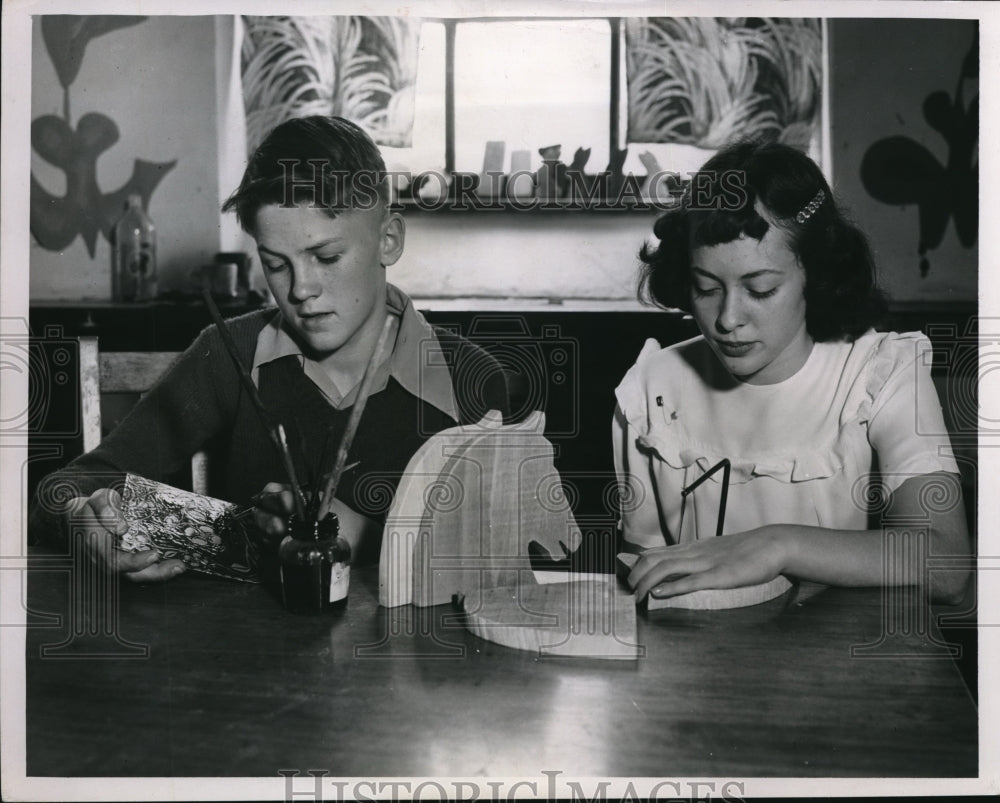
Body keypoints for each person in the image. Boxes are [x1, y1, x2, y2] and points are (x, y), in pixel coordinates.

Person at [31, 115, 509, 581]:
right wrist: (77, 520)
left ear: (388, 239)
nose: (301, 289)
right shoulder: (230, 353)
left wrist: (367, 536)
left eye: (326, 257)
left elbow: (509, 558)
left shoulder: (469, 380)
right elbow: (62, 488)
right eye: (276, 264)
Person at [614, 141, 970, 605]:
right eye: (706, 288)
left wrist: (778, 544)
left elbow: (948, 567)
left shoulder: (881, 371)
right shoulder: (649, 390)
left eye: (760, 289)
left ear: (816, 274)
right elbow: (642, 577)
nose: (727, 319)